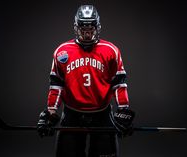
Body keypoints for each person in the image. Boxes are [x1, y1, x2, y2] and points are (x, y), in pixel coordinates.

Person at [37, 5, 135, 157]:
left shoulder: (111, 50)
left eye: (91, 29)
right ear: (76, 27)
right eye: (84, 29)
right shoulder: (62, 51)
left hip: (102, 113)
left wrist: (123, 109)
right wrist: (51, 111)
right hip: (72, 114)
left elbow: (119, 82)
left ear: (98, 27)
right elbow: (56, 84)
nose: (87, 34)